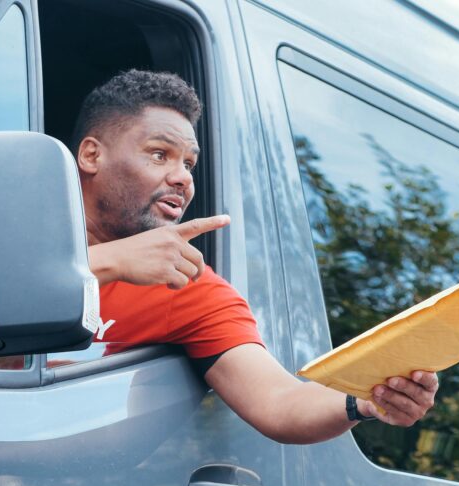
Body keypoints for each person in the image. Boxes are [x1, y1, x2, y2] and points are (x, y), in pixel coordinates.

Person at [75, 69, 438, 444]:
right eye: (159, 154)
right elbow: (8, 297)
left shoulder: (186, 284)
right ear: (91, 155)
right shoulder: (15, 222)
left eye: (188, 164)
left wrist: (364, 396)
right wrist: (107, 262)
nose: (182, 178)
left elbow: (280, 402)